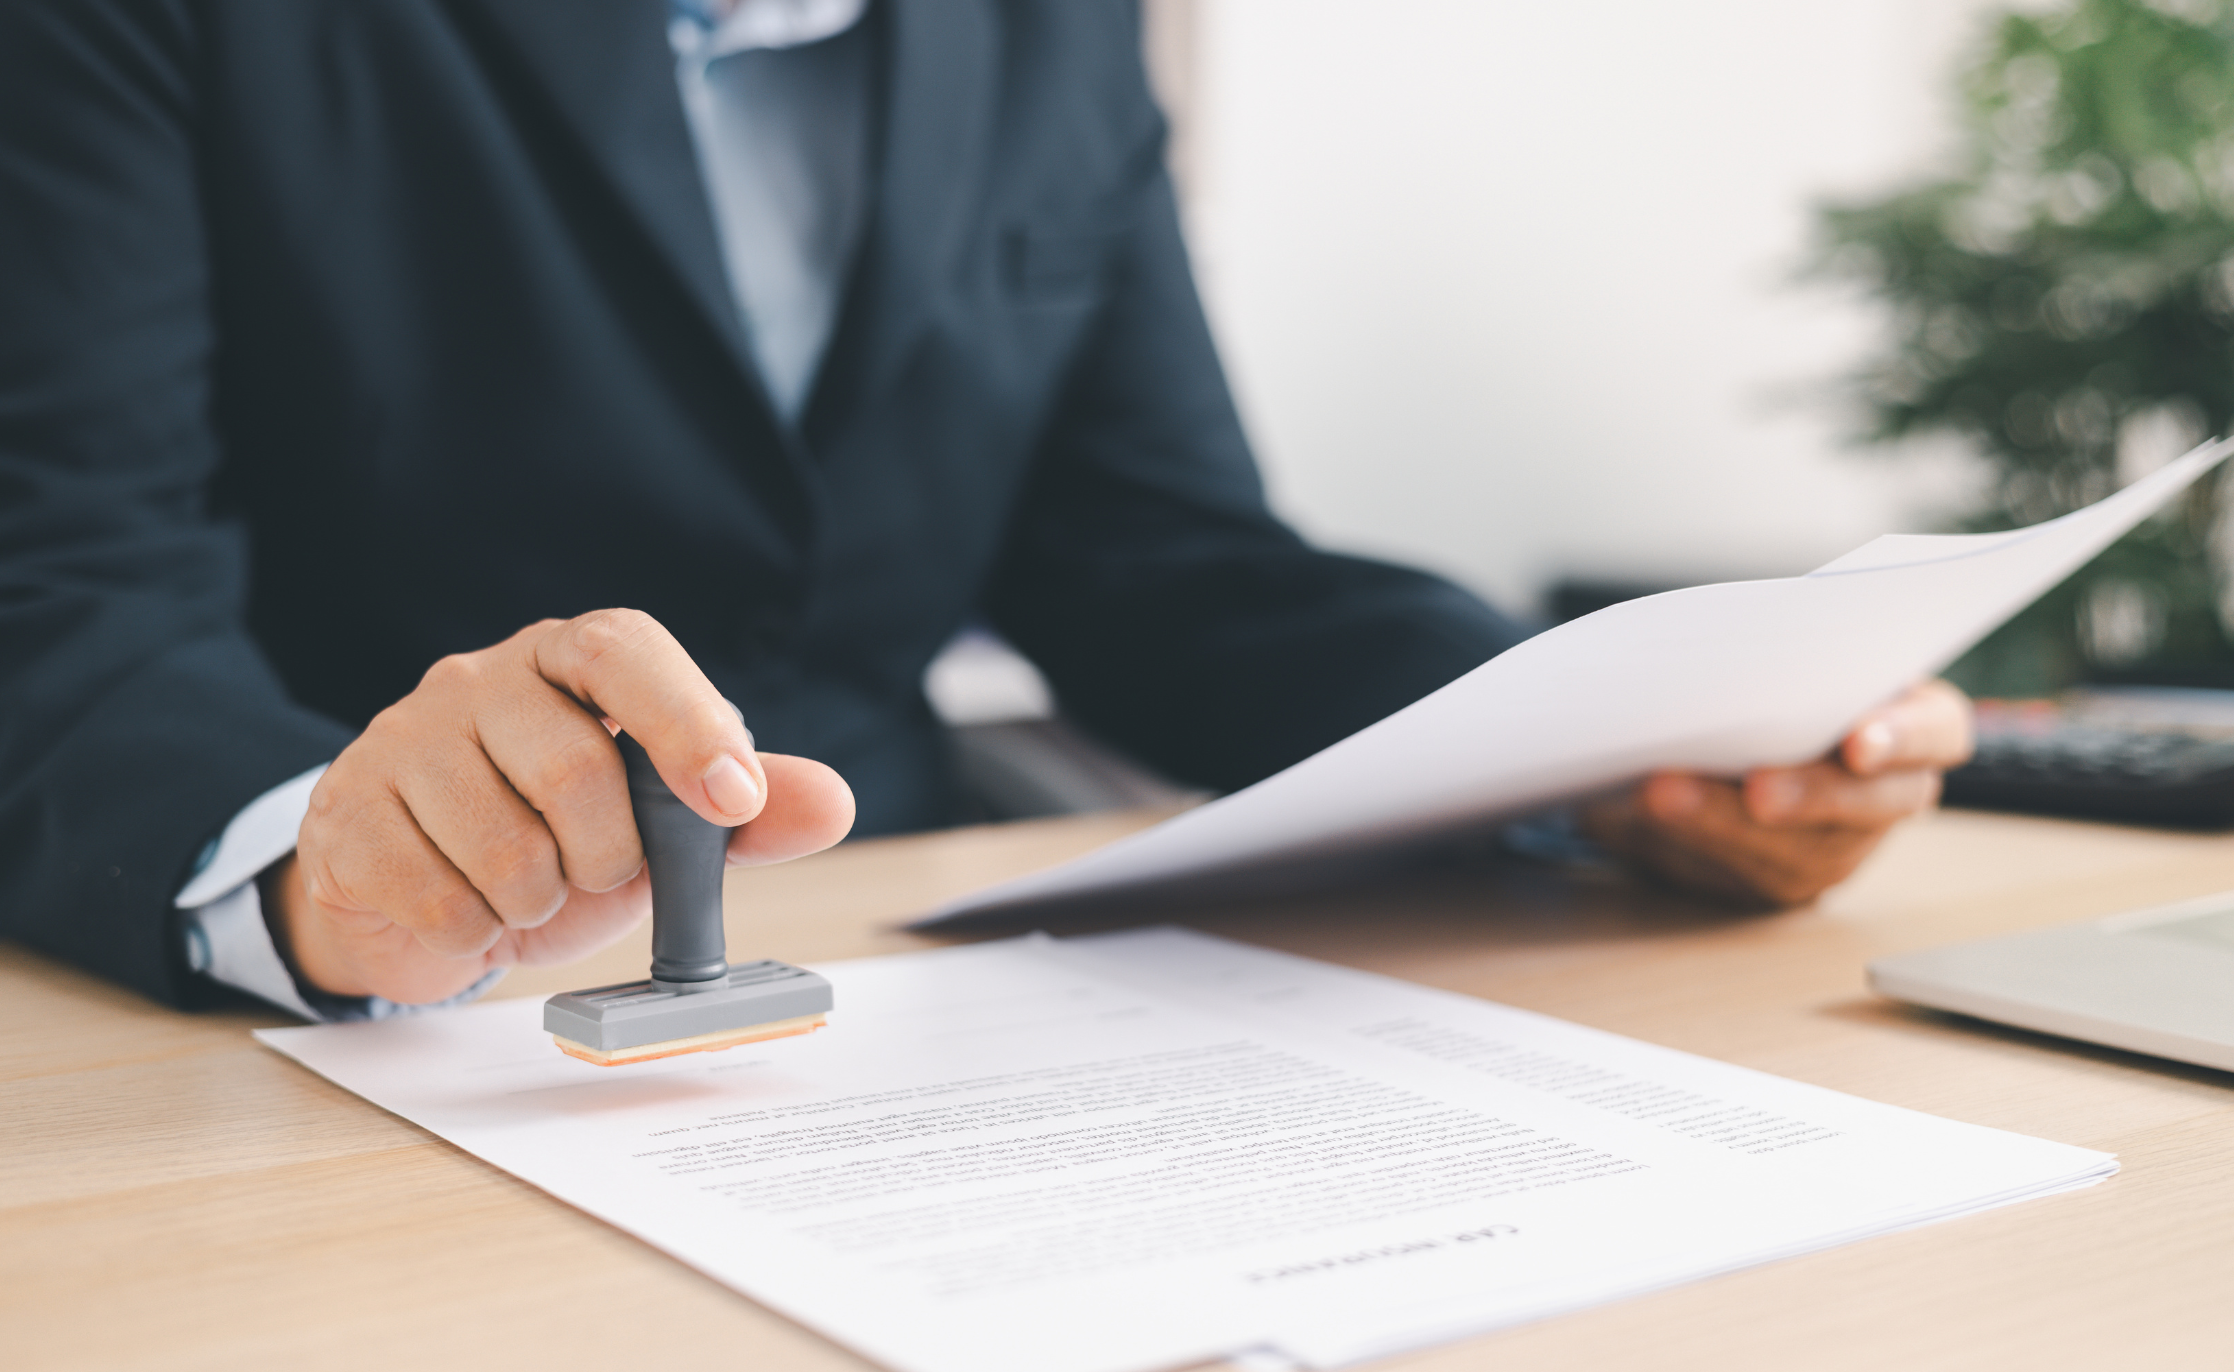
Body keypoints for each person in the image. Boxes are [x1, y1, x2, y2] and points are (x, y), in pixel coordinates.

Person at [0, 0, 1970, 1019]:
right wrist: (313, 862)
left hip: (907, 989)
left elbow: (1162, 562)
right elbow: (58, 578)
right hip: (364, 1026)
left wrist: (1621, 742)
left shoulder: (1049, 27)